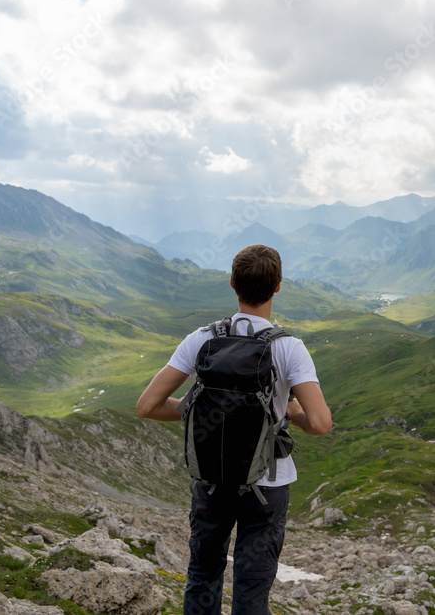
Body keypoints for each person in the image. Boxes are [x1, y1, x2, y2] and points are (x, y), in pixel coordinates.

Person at [137, 244, 332, 615]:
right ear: (277, 287)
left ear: (232, 284)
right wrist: (291, 410)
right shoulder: (289, 349)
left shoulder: (202, 339)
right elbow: (321, 423)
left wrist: (198, 411)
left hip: (211, 478)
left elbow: (147, 406)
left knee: (203, 575)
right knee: (251, 589)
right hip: (268, 485)